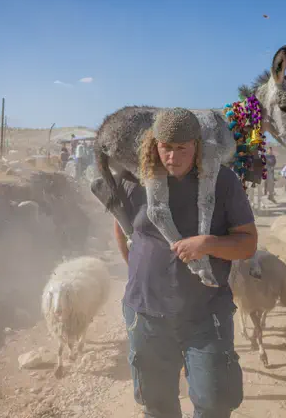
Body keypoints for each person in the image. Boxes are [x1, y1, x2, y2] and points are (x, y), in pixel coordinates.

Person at [113, 108, 257, 418]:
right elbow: (122, 226)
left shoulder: (222, 181)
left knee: (215, 402)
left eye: (182, 148)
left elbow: (248, 243)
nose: (172, 156)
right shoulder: (134, 178)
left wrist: (209, 244)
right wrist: (140, 272)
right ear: (154, 144)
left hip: (205, 314)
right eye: (165, 147)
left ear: (197, 146)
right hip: (147, 315)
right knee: (157, 405)